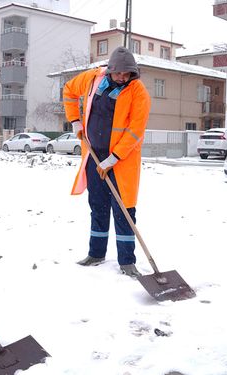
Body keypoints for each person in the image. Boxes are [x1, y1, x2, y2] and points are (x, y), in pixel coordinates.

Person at [62, 47, 151, 277]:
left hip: (122, 161)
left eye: (127, 74)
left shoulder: (138, 92)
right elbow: (69, 90)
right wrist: (75, 121)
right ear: (110, 70)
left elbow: (135, 131)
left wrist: (114, 158)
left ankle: (127, 261)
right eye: (119, 73)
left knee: (123, 210)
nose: (123, 78)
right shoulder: (93, 78)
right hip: (93, 156)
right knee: (98, 205)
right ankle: (96, 253)